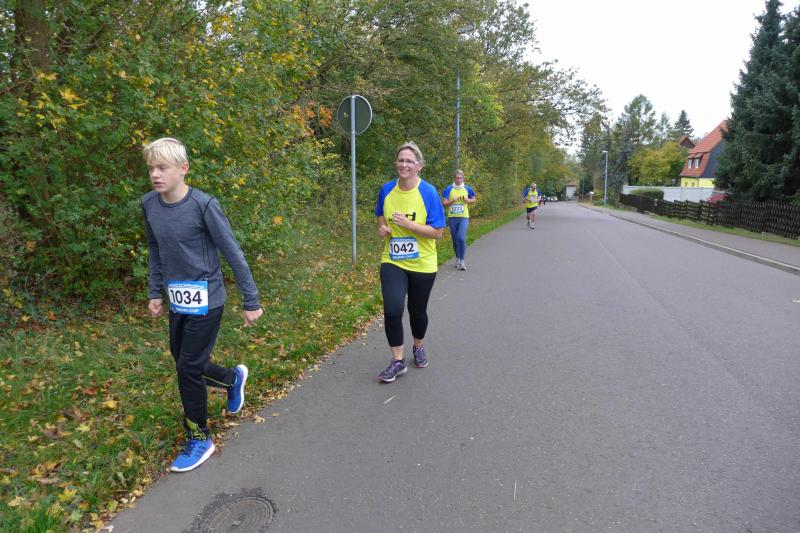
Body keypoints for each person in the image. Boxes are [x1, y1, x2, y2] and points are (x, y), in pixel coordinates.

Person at [141, 137, 263, 472]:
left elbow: (232, 252)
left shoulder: (203, 205)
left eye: (162, 167)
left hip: (207, 298)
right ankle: (232, 379)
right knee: (183, 360)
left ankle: (199, 438)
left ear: (183, 169)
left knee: (188, 367)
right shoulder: (149, 205)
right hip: (178, 298)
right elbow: (155, 250)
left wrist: (251, 299)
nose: (155, 174)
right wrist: (155, 292)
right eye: (151, 168)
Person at [375, 142, 445, 383]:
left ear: (419, 166)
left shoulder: (428, 192)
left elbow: (437, 232)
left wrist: (409, 225)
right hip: (393, 259)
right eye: (400, 160)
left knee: (417, 312)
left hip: (423, 262)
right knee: (392, 309)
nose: (403, 164)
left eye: (409, 161)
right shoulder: (386, 189)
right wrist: (383, 228)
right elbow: (381, 215)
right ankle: (397, 361)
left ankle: (418, 346)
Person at [441, 169, 476, 270]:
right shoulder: (449, 189)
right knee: (455, 240)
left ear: (463, 178)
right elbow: (444, 203)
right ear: (454, 178)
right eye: (457, 178)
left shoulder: (467, 188)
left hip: (463, 217)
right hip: (452, 218)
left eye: (460, 178)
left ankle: (462, 261)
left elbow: (474, 199)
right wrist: (452, 201)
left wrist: (468, 200)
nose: (459, 180)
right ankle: (457, 258)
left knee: (461, 237)